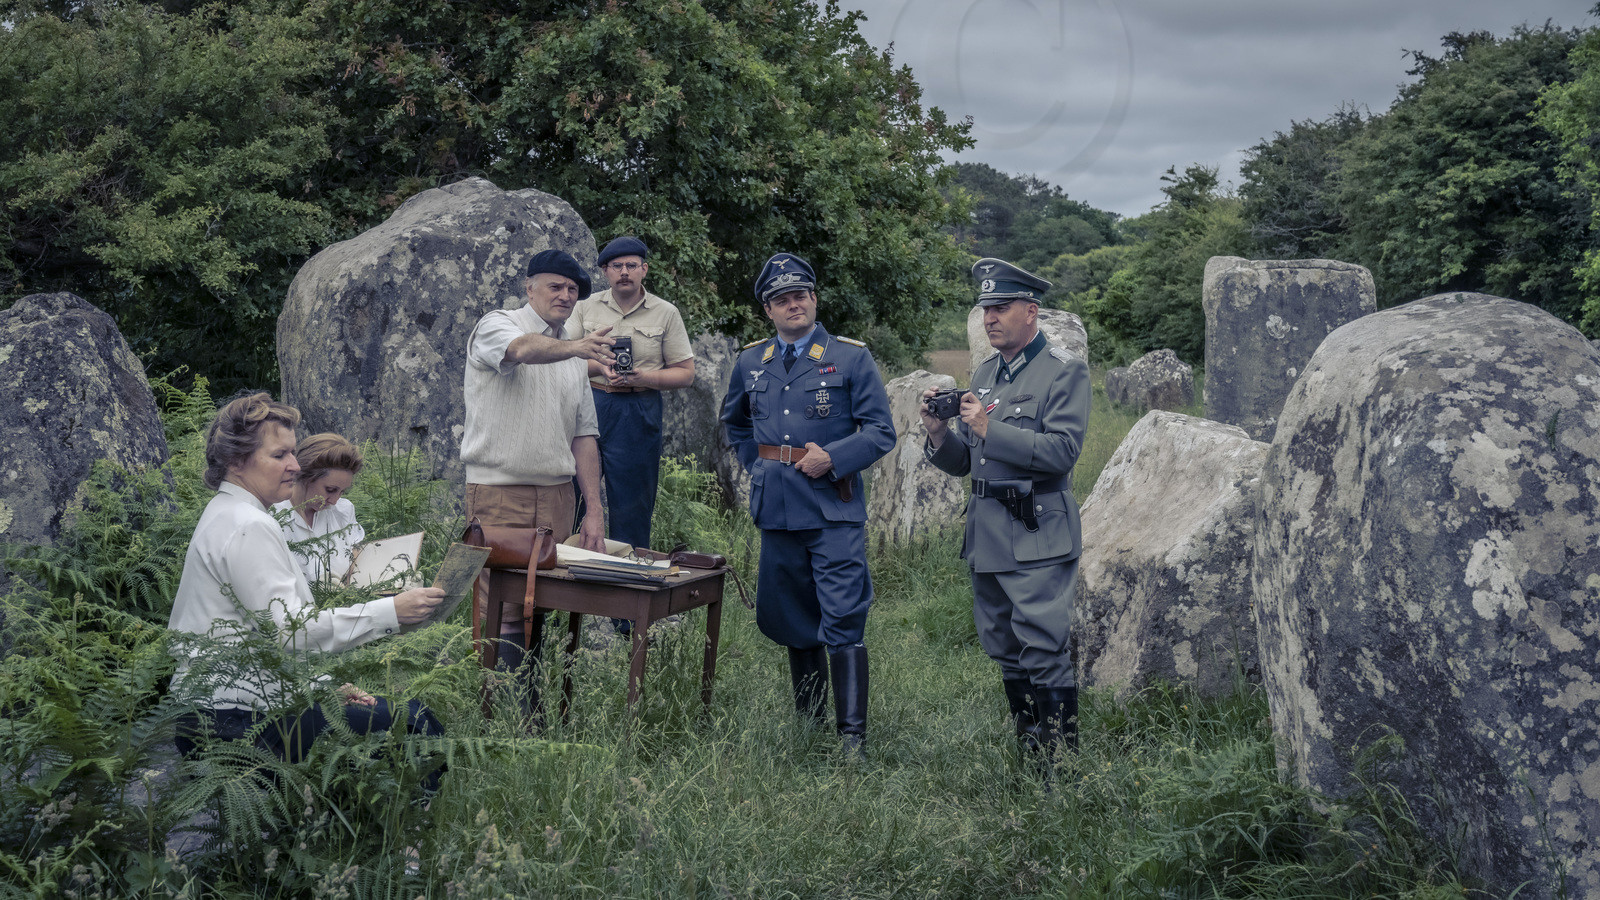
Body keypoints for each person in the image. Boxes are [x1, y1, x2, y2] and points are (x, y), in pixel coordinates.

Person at [168, 393, 447, 784]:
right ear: (236, 460)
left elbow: (263, 636)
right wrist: (391, 613)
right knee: (412, 720)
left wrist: (326, 687)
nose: (295, 466)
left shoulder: (229, 512)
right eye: (280, 455)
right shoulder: (250, 525)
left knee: (388, 715)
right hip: (236, 723)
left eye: (294, 454)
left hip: (217, 710)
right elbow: (292, 633)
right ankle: (411, 835)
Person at [720, 252, 896, 754]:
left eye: (800, 295)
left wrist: (834, 458)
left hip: (831, 506)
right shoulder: (752, 361)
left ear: (814, 300)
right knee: (793, 615)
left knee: (842, 614)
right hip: (776, 506)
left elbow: (882, 432)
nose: (792, 304)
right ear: (768, 310)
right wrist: (757, 466)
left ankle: (851, 738)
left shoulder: (850, 356)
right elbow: (735, 424)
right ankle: (810, 722)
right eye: (781, 299)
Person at [920, 258, 1091, 765]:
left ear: (1030, 311)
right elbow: (970, 464)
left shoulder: (1063, 370)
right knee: (1004, 645)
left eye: (1000, 308)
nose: (989, 318)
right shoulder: (986, 373)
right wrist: (937, 434)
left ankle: (1061, 766)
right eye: (985, 310)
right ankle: (1030, 752)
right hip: (989, 530)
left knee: (1042, 644)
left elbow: (1062, 451)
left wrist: (991, 429)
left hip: (1037, 525)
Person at [461, 248, 613, 708]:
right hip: (499, 491)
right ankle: (497, 714)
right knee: (502, 607)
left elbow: (585, 434)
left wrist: (595, 510)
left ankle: (530, 710)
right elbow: (520, 351)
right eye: (556, 286)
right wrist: (577, 348)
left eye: (572, 290)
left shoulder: (572, 348)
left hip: (558, 495)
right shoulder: (497, 324)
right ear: (529, 287)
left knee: (543, 602)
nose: (565, 295)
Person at [571, 236, 696, 635]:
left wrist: (644, 376)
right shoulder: (584, 308)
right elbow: (566, 354)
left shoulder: (665, 312)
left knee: (632, 505)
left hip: (639, 408)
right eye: (616, 266)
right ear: (605, 272)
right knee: (573, 500)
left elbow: (685, 372)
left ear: (644, 269)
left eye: (632, 265)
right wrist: (598, 369)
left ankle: (626, 613)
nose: (624, 272)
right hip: (589, 402)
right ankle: (570, 602)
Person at [274, 433, 366, 585]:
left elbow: (358, 556)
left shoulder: (343, 511)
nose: (335, 500)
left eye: (342, 491)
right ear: (305, 476)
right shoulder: (275, 518)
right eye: (330, 489)